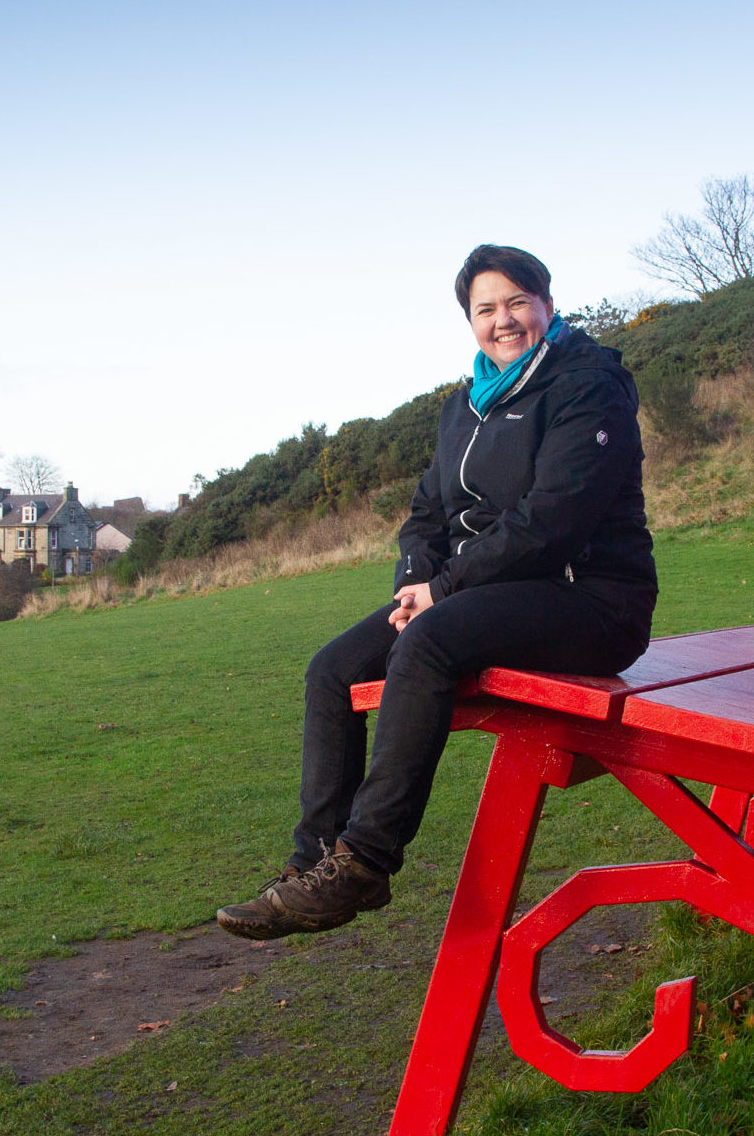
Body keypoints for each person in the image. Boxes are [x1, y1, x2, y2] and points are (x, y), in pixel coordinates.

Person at [216, 245, 657, 940]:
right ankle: (313, 867)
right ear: (471, 322)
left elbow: (552, 521)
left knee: (428, 643)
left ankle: (365, 860)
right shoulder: (463, 407)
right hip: (479, 595)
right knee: (331, 670)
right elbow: (426, 514)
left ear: (546, 303)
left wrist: (444, 591)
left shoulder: (587, 384)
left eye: (517, 302)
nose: (504, 321)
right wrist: (416, 583)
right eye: (486, 309)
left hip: (591, 601)